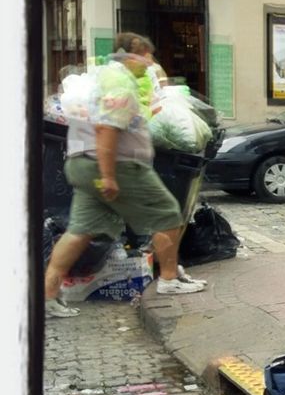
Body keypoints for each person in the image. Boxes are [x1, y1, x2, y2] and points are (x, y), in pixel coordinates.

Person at [44, 36, 206, 318]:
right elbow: (108, 128)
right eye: (148, 58)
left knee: (80, 231)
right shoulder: (119, 82)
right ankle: (168, 280)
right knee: (168, 214)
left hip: (82, 162)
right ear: (132, 56)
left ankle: (46, 296)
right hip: (116, 164)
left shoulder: (106, 77)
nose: (151, 65)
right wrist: (108, 176)